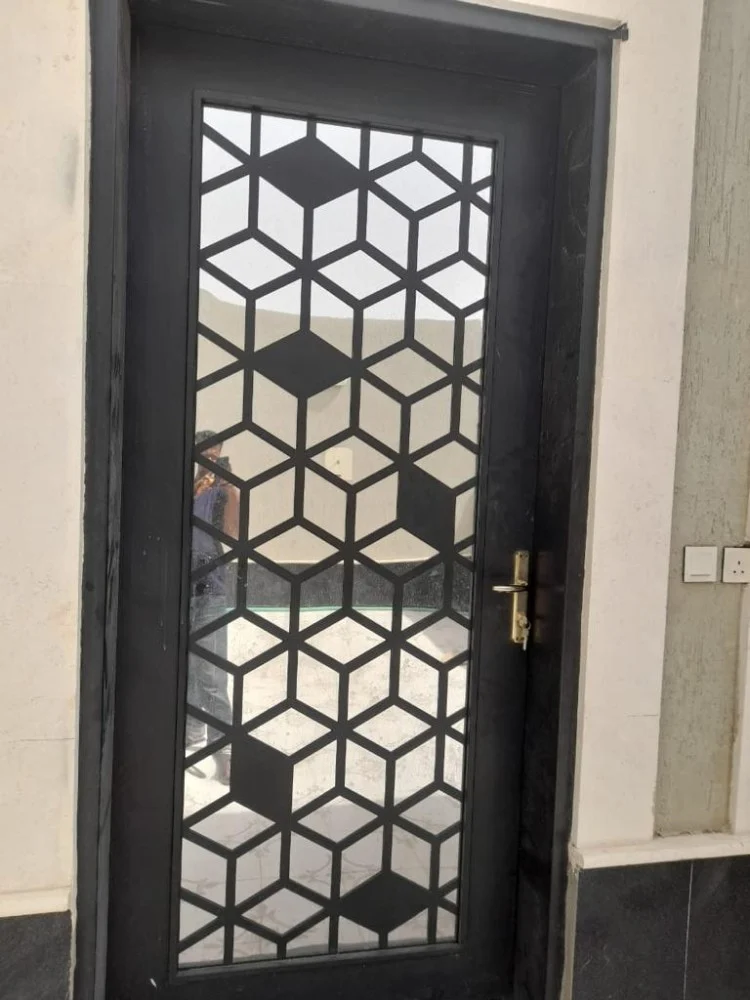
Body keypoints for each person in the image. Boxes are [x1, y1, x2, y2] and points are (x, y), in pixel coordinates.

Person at [186, 431, 239, 785]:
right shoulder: (186, 485)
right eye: (205, 453)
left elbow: (232, 534)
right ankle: (191, 738)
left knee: (212, 672)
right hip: (181, 583)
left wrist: (231, 491)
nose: (210, 460)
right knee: (186, 668)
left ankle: (224, 754)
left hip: (210, 586)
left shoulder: (222, 490)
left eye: (215, 454)